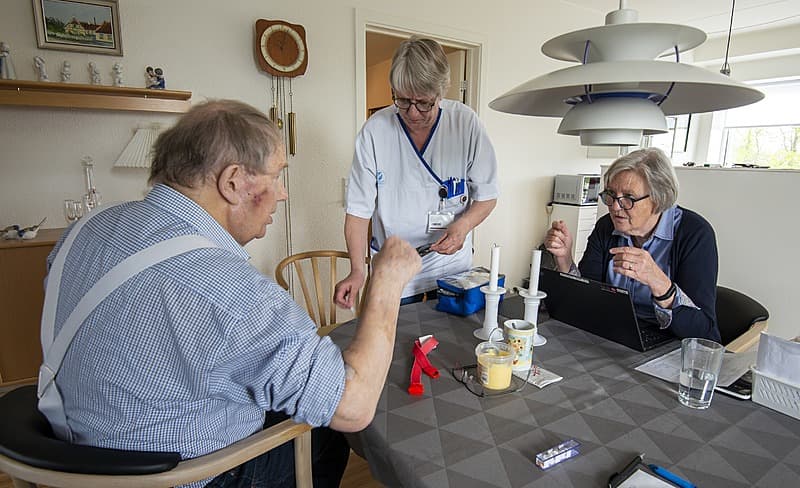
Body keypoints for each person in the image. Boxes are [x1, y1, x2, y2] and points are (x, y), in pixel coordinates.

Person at [40, 100, 421, 487]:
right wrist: (386, 282)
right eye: (277, 176)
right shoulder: (229, 290)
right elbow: (353, 406)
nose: (283, 193)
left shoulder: (85, 231)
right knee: (328, 433)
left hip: (76, 457)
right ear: (234, 182)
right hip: (174, 476)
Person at [334, 36, 499, 307]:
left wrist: (463, 226)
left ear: (441, 93)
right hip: (393, 265)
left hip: (450, 267)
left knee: (450, 344)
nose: (412, 113)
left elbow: (488, 195)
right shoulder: (375, 131)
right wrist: (357, 270)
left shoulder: (465, 124)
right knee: (395, 344)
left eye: (423, 103)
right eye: (402, 100)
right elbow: (358, 211)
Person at [544, 147, 720, 342]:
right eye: (610, 195)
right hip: (615, 335)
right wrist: (564, 260)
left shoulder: (695, 234)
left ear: (658, 197)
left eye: (628, 198)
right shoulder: (606, 226)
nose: (615, 207)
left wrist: (658, 283)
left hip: (668, 345)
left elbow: (705, 332)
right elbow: (587, 299)